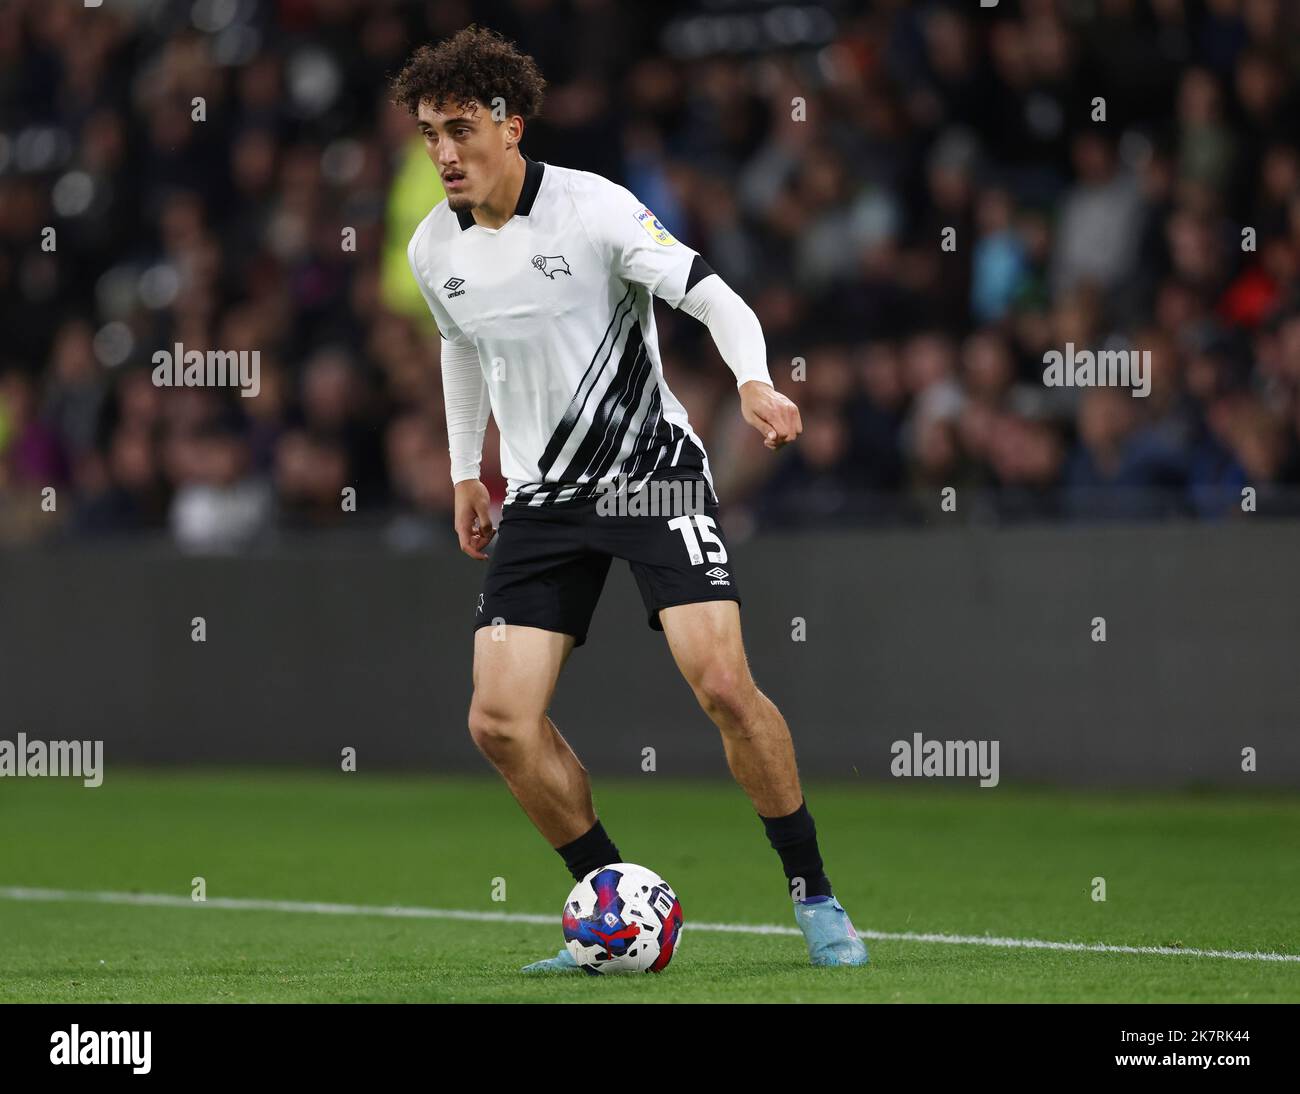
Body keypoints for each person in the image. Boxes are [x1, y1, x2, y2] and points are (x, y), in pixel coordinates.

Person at [395, 27, 867, 971]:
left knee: (726, 686)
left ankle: (815, 894)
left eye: (457, 128)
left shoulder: (593, 210)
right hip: (539, 495)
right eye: (427, 134)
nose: (442, 152)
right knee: (497, 721)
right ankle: (609, 905)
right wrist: (463, 472)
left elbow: (710, 293)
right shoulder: (430, 247)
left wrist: (753, 381)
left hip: (651, 472)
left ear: (509, 125)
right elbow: (460, 349)